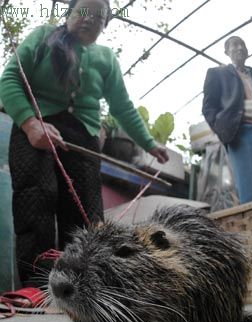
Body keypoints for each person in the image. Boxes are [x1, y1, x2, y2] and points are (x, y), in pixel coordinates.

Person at [0, 0, 169, 286]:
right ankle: (37, 286)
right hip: (36, 129)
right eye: (84, 11)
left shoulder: (106, 58)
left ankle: (82, 287)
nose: (90, 19)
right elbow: (10, 78)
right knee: (36, 197)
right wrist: (30, 123)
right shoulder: (43, 37)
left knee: (84, 213)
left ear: (105, 26)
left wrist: (150, 143)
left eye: (99, 16)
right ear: (70, 13)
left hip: (82, 136)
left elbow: (122, 107)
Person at [202, 36, 252, 204]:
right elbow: (208, 108)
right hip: (242, 132)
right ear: (226, 52)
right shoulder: (218, 74)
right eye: (234, 45)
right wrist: (223, 131)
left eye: (242, 44)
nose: (240, 48)